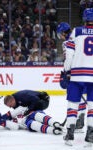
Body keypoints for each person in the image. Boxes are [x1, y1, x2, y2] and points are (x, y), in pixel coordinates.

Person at [62, 8, 93, 147]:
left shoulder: (77, 31)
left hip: (77, 74)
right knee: (92, 106)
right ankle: (90, 134)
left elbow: (69, 55)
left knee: (73, 105)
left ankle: (70, 133)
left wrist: (66, 71)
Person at [57, 22, 87, 132]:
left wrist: (66, 71)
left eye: (60, 33)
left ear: (64, 33)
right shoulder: (80, 37)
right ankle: (80, 122)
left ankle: (73, 124)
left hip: (73, 72)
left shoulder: (67, 42)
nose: (60, 36)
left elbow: (68, 59)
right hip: (85, 70)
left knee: (73, 99)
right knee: (82, 97)